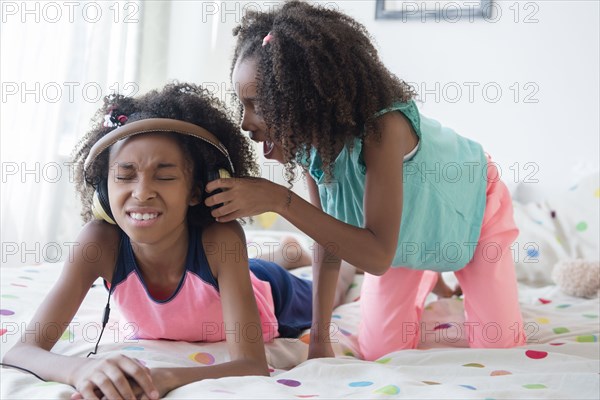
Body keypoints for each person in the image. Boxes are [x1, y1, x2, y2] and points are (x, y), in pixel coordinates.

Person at [204, 1, 526, 361]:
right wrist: (321, 336)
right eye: (242, 105)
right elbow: (328, 241)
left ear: (303, 99)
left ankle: (439, 277)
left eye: (256, 105)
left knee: (500, 347)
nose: (246, 123)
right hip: (400, 240)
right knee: (379, 352)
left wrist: (279, 200)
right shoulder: (315, 146)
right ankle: (431, 277)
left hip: (472, 211)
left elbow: (374, 258)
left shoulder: (384, 129)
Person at [1, 83, 353, 399]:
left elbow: (251, 364)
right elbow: (21, 351)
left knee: (332, 291)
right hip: (221, 282)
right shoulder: (98, 243)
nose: (141, 193)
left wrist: (168, 375)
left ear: (197, 191)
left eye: (165, 176)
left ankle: (334, 266)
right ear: (103, 194)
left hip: (268, 292)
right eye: (124, 176)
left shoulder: (222, 239)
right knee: (249, 268)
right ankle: (282, 254)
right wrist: (79, 370)